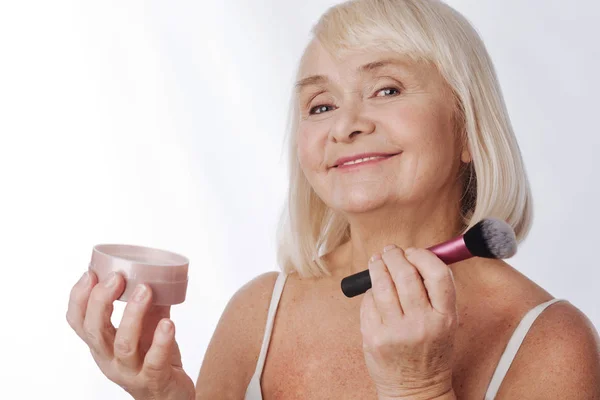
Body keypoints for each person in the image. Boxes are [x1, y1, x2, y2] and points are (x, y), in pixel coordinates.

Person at [66, 0, 600, 399]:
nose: (345, 125)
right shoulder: (260, 311)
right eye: (320, 105)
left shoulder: (549, 340)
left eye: (387, 89)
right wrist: (165, 395)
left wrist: (420, 387)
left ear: (467, 130)